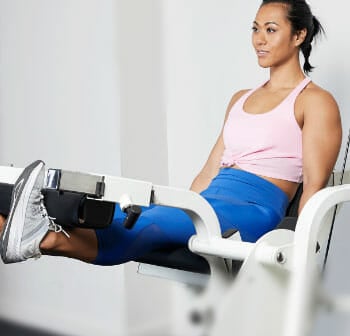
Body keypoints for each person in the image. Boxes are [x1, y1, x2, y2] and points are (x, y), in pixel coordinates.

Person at [0, 0, 342, 265]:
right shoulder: (240, 99)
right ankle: (31, 232)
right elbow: (209, 171)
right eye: (255, 29)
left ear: (299, 36)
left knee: (148, 223)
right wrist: (183, 202)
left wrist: (302, 249)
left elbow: (313, 186)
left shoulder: (315, 102)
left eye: (270, 29)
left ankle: (38, 226)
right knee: (133, 212)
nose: (259, 40)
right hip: (209, 202)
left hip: (252, 212)